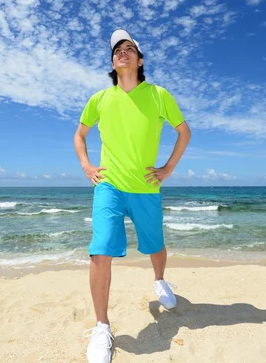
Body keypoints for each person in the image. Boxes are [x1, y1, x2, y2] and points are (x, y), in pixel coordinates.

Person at [74, 29, 191, 363]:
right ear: (113, 62)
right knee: (100, 250)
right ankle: (101, 326)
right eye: (116, 51)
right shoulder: (100, 99)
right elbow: (79, 135)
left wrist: (167, 168)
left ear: (140, 60)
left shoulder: (158, 95)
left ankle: (159, 281)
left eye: (129, 49)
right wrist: (87, 166)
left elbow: (184, 132)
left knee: (155, 245)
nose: (122, 53)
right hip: (109, 186)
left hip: (145, 187)